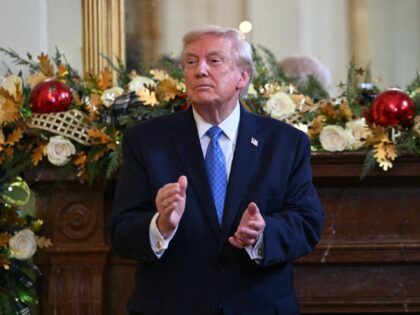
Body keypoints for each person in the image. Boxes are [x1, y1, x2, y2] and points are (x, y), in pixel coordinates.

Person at [107, 25, 324, 315]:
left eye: (214, 61)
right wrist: (160, 227)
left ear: (242, 76)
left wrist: (261, 234)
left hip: (259, 306)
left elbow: (307, 223)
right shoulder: (146, 141)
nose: (200, 71)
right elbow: (119, 231)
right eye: (191, 62)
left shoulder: (285, 143)